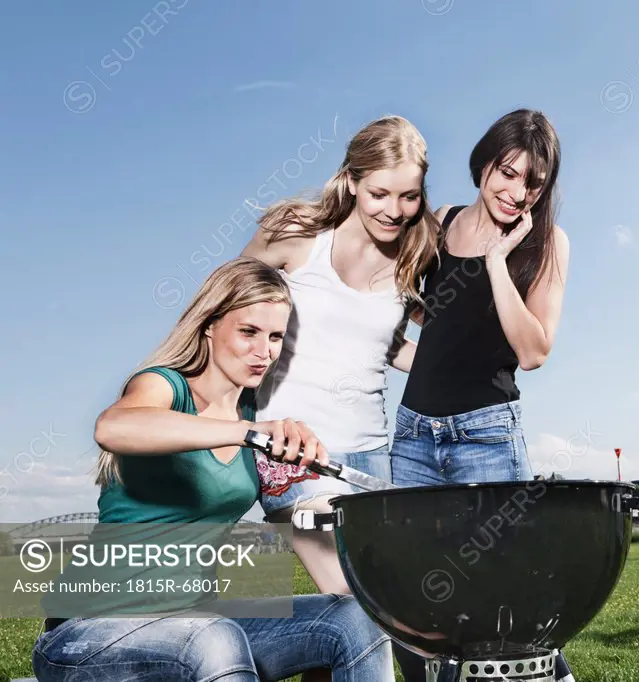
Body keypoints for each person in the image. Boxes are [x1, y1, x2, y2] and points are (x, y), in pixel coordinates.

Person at [32, 257, 394, 681]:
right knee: (214, 637)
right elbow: (113, 426)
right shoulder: (165, 386)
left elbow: (303, 516)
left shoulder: (255, 415)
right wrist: (244, 432)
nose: (265, 352)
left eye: (276, 336)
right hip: (87, 632)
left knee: (351, 620)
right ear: (209, 325)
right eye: (249, 332)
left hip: (193, 621)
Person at [387, 109, 573, 681]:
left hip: (487, 435)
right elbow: (431, 320)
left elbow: (533, 350)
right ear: (484, 162)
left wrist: (497, 262)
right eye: (507, 172)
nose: (516, 192)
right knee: (409, 595)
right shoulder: (439, 221)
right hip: (415, 433)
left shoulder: (547, 243)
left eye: (532, 183)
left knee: (502, 595)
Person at [239, 115, 440, 604]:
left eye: (408, 196)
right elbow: (226, 306)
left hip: (371, 453)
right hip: (293, 448)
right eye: (379, 194)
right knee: (362, 603)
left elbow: (383, 344)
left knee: (357, 615)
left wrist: (460, 371)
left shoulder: (416, 251)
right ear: (351, 181)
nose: (394, 211)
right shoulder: (295, 233)